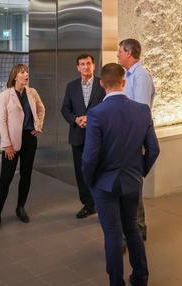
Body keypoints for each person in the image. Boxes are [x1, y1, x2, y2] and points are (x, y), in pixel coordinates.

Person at [82, 63, 160, 286]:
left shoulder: (96, 114)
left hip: (104, 185)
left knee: (113, 234)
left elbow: (89, 157)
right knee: (132, 229)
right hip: (132, 181)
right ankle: (141, 277)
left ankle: (117, 282)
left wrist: (91, 182)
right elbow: (154, 149)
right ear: (123, 82)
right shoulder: (142, 110)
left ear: (101, 84)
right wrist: (139, 172)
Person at [0, 64, 45, 233]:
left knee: (26, 175)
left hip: (29, 139)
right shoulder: (5, 95)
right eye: (22, 72)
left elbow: (42, 109)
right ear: (15, 77)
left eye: (27, 71)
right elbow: (2, 120)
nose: (26, 74)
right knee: (5, 179)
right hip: (11, 142)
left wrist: (38, 125)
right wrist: (7, 144)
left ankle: (20, 207)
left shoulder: (32, 92)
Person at [116, 38, 155, 241]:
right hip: (127, 137)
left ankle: (138, 228)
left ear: (129, 53)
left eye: (120, 51)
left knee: (133, 185)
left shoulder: (141, 77)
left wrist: (132, 142)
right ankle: (134, 227)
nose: (117, 55)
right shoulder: (129, 76)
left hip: (134, 139)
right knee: (129, 185)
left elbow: (141, 113)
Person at [61, 53, 105, 219]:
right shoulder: (71, 86)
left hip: (98, 137)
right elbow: (65, 109)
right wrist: (75, 119)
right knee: (81, 172)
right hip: (78, 135)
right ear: (77, 67)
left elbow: (108, 107)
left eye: (88, 63)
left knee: (99, 170)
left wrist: (92, 119)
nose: (86, 67)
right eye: (82, 64)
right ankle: (88, 204)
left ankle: (102, 203)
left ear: (94, 65)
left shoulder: (102, 84)